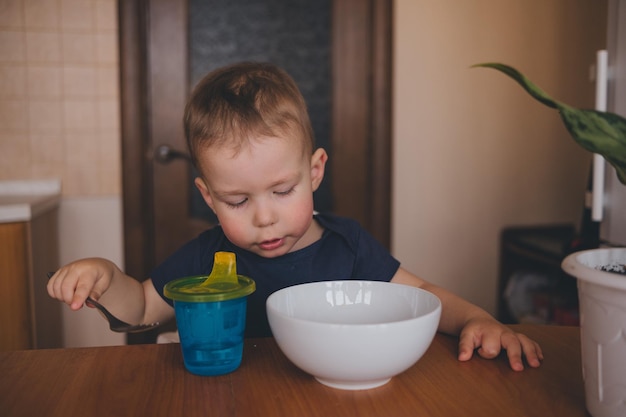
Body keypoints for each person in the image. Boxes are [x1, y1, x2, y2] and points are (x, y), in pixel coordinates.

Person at [48, 62, 543, 371]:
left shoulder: (347, 245)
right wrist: (103, 275)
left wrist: (478, 318)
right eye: (237, 202)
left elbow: (423, 297)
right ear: (208, 197)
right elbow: (138, 308)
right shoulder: (207, 257)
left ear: (315, 172)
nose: (265, 217)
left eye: (283, 190)